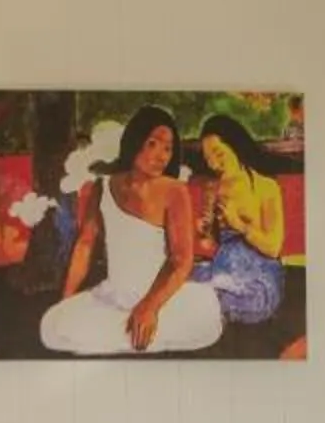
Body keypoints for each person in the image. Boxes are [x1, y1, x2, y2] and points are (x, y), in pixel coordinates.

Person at [36, 106, 223, 357]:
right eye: (153, 144)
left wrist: (149, 307)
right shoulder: (102, 187)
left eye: (168, 148)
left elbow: (181, 260)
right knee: (56, 325)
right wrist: (66, 299)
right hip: (114, 297)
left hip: (161, 299)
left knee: (180, 327)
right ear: (135, 142)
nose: (161, 156)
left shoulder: (174, 191)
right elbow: (85, 245)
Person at [190, 115, 290, 328]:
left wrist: (241, 226)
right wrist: (203, 232)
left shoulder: (266, 187)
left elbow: (273, 248)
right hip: (223, 267)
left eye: (218, 153)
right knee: (183, 283)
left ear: (234, 145)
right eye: (209, 159)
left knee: (241, 300)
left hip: (257, 274)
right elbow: (210, 245)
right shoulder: (214, 188)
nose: (215, 163)